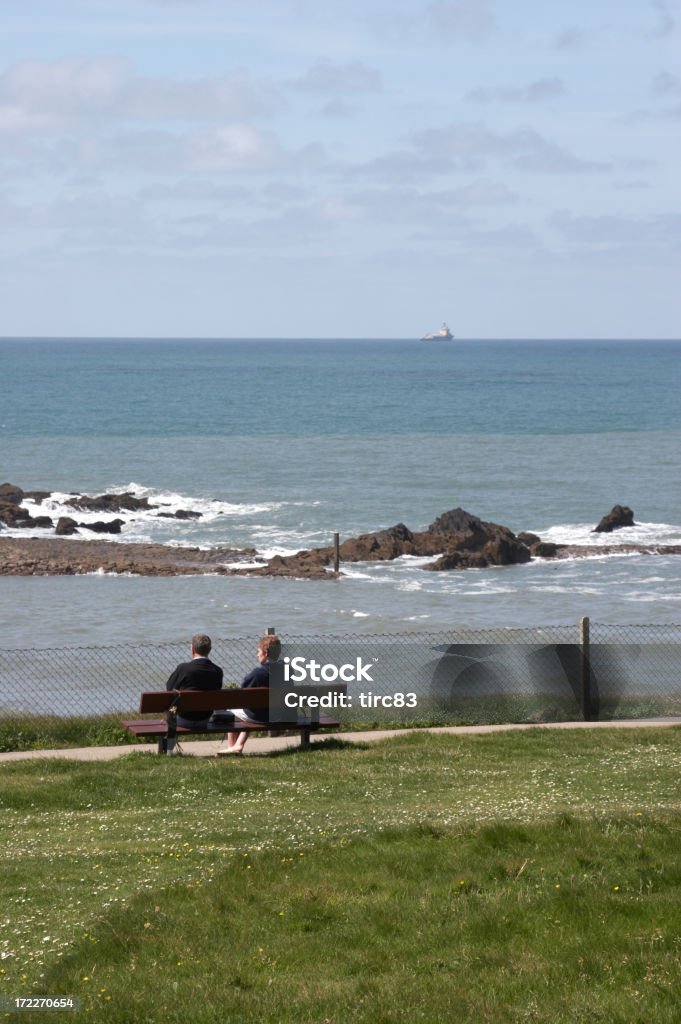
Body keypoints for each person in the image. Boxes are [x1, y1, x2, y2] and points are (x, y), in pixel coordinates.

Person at [216, 633, 281, 755]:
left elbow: (243, 694)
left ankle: (233, 747)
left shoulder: (257, 674)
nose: (257, 654)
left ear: (266, 653)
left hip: (262, 716)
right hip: (281, 715)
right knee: (252, 710)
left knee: (231, 712)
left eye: (258, 651)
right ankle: (237, 745)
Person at [165, 633, 223, 754]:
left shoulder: (183, 669)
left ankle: (168, 750)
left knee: (171, 711)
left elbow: (169, 689)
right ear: (210, 650)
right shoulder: (217, 671)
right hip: (205, 719)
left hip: (183, 719)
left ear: (192, 649)